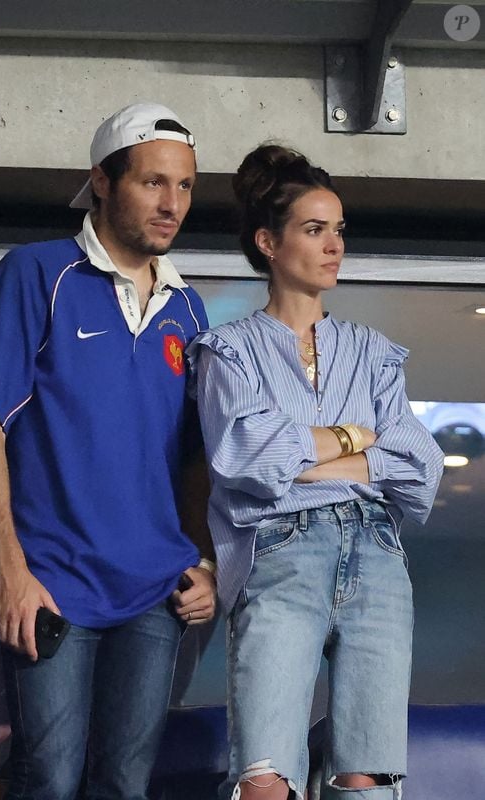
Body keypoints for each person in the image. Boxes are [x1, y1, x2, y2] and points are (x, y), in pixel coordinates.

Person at [0, 102, 216, 800]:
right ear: (102, 180)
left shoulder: (188, 309)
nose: (173, 204)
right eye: (154, 182)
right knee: (51, 780)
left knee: (125, 785)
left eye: (185, 186)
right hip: (53, 582)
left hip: (155, 592)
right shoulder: (37, 275)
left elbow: (194, 457)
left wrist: (202, 557)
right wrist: (7, 567)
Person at [186, 144, 443, 800]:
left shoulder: (375, 352)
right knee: (266, 780)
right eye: (314, 229)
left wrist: (303, 457)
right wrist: (361, 442)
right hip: (278, 558)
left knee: (365, 778)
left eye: (339, 230)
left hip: (379, 558)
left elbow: (418, 468)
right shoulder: (228, 350)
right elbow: (244, 458)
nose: (334, 245)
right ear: (268, 242)